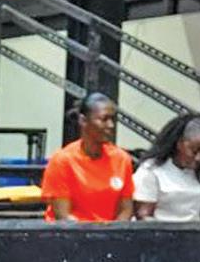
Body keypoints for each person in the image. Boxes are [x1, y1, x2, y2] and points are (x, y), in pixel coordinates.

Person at [41, 93, 135, 223]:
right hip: (72, 232)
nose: (111, 125)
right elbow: (63, 216)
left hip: (111, 232)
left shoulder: (122, 159)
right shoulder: (62, 160)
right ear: (83, 120)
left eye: (112, 119)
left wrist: (112, 231)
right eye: (104, 119)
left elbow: (126, 210)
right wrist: (92, 232)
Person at [132, 112, 200, 222]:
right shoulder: (151, 170)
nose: (199, 158)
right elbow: (144, 217)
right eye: (194, 151)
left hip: (195, 231)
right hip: (157, 230)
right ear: (179, 144)